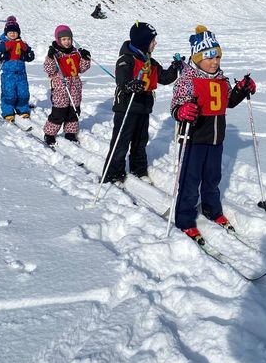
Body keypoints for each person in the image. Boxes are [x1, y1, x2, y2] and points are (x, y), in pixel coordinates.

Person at [169, 26, 256, 243]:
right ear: (197, 58)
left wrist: (242, 89)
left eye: (217, 56)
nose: (214, 62)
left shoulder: (221, 80)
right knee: (190, 181)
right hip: (193, 140)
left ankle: (211, 209)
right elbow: (175, 107)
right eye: (208, 57)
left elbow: (228, 102)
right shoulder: (188, 80)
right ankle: (185, 220)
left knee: (212, 178)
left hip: (216, 139)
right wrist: (182, 111)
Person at [101, 21, 180, 184]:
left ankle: (138, 169)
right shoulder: (126, 59)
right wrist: (130, 84)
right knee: (121, 141)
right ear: (143, 42)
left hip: (143, 107)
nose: (155, 43)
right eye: (152, 41)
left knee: (140, 141)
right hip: (126, 107)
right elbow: (122, 80)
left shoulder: (150, 61)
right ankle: (113, 173)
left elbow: (164, 78)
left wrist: (174, 68)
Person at [43, 25, 92, 145]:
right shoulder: (56, 54)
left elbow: (81, 68)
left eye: (69, 39)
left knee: (73, 111)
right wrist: (50, 57)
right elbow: (49, 70)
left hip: (75, 86)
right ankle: (50, 134)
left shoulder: (76, 53)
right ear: (58, 40)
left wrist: (85, 58)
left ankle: (70, 133)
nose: (67, 42)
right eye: (64, 39)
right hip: (61, 87)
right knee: (59, 112)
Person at [0, 17, 35, 121]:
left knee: (23, 93)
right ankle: (8, 111)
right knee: (9, 93)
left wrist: (28, 55)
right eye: (10, 32)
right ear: (6, 33)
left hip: (21, 74)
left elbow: (30, 53)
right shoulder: (3, 43)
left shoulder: (21, 43)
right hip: (8, 74)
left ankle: (22, 108)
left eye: (15, 32)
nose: (13, 34)